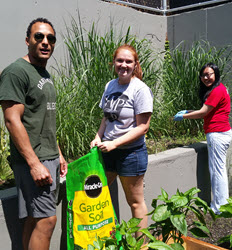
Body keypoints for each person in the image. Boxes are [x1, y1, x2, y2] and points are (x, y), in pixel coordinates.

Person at [0, 18, 68, 249]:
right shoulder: (16, 72)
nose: (45, 42)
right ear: (27, 40)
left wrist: (57, 153)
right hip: (35, 161)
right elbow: (12, 120)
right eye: (39, 36)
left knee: (36, 217)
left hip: (48, 157)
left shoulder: (44, 75)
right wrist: (34, 163)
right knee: (47, 220)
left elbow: (44, 121)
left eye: (51, 38)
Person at [90, 44, 153, 236]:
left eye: (128, 61)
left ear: (135, 65)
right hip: (107, 152)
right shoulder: (110, 85)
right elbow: (106, 117)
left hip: (130, 154)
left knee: (135, 202)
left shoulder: (140, 89)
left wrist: (115, 143)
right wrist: (98, 137)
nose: (123, 65)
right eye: (120, 60)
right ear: (114, 63)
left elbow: (143, 127)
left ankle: (140, 247)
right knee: (98, 195)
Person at [173, 62, 232, 214]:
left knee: (217, 171)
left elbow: (203, 113)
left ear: (216, 74)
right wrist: (188, 111)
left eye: (209, 74)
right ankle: (222, 204)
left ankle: (219, 207)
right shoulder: (219, 89)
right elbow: (206, 110)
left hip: (217, 134)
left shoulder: (217, 91)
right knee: (219, 170)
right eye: (203, 75)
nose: (206, 77)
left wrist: (184, 116)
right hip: (221, 132)